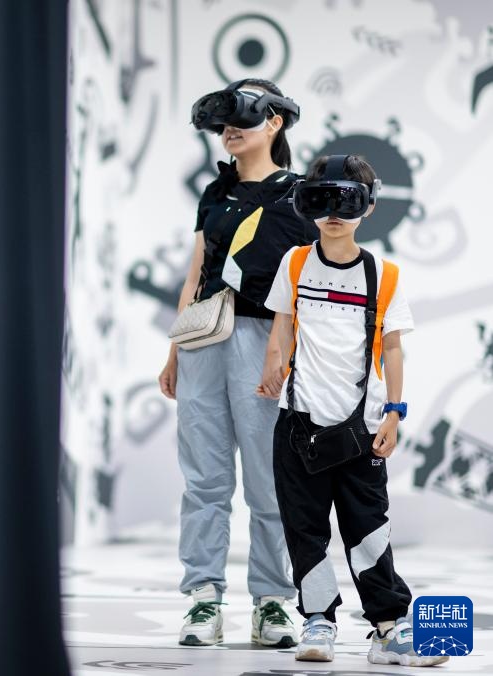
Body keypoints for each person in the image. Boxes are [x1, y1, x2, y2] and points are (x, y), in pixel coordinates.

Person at [261, 154, 447, 666]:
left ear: (368, 207)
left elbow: (393, 348)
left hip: (362, 427)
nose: (333, 214)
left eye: (347, 201)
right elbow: (282, 325)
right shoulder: (295, 263)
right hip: (298, 423)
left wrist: (395, 413)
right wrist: (273, 365)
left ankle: (388, 627)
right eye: (321, 200)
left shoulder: (383, 275)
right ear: (306, 204)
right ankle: (318, 622)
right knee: (305, 528)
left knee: (368, 528)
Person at [159, 79, 316, 647]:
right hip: (203, 339)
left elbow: (307, 285)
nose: (230, 130)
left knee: (270, 481)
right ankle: (203, 598)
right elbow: (195, 273)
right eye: (223, 122)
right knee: (204, 479)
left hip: (264, 342)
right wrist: (174, 351)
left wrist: (289, 355)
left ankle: (272, 603)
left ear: (275, 122)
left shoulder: (300, 195)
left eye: (243, 118)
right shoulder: (214, 192)